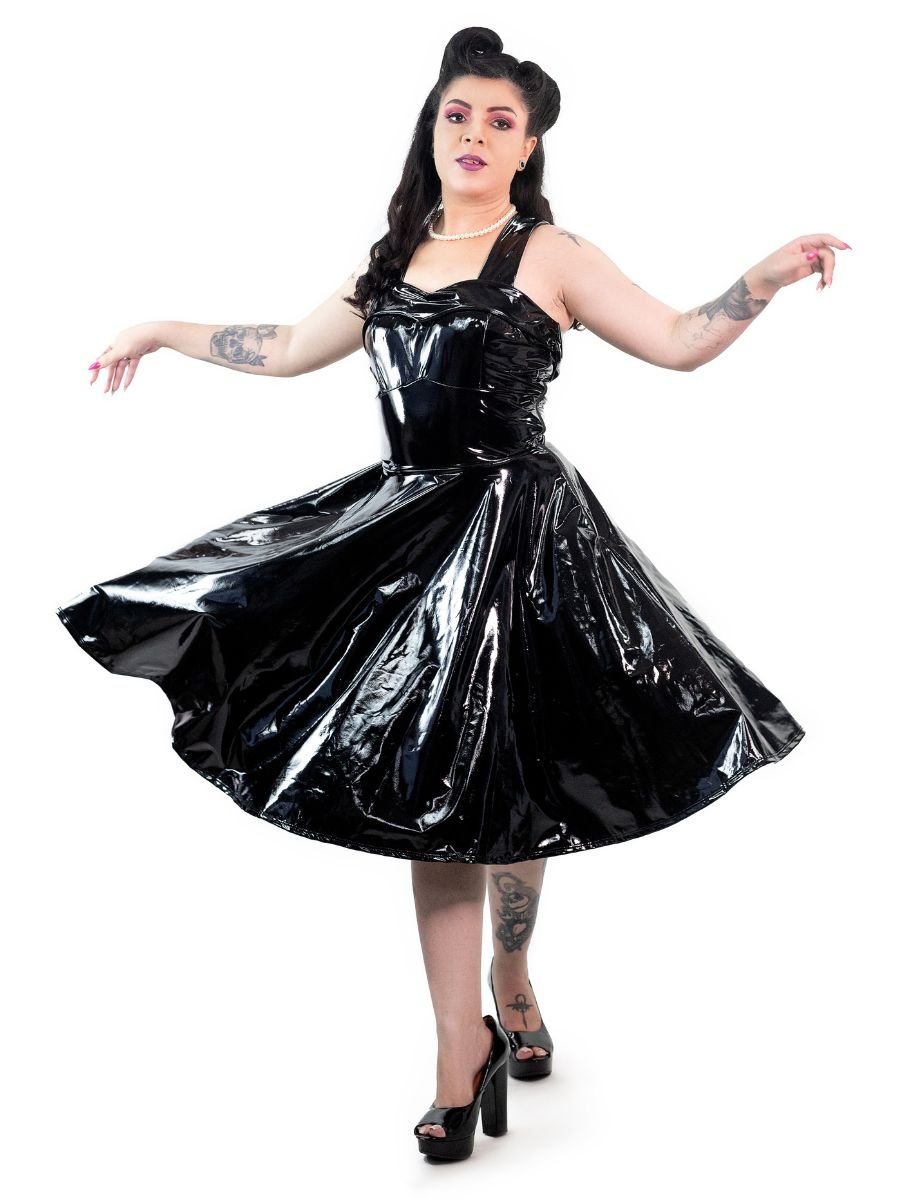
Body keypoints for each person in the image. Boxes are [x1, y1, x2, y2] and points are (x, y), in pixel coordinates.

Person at [58, 26, 848, 1164]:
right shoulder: (391, 257)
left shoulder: (552, 253)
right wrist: (163, 332)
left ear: (527, 148)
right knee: (433, 793)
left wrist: (760, 279)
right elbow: (288, 346)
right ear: (431, 129)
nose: (473, 133)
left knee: (517, 775)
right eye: (457, 114)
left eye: (499, 121)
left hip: (525, 543)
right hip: (414, 537)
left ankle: (511, 975)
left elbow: (678, 341)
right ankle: (456, 1047)